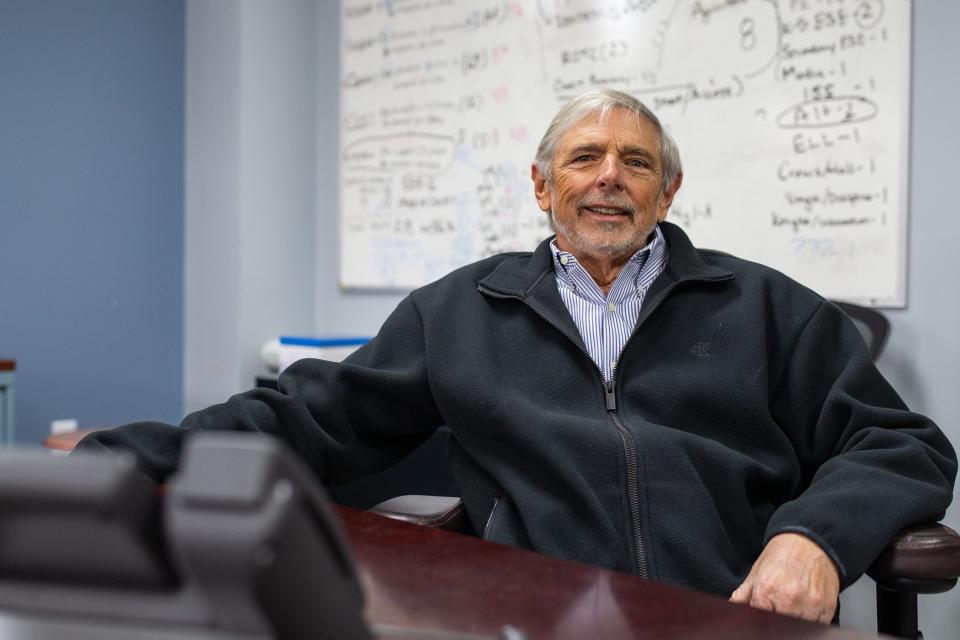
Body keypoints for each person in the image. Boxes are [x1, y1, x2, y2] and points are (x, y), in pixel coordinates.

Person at [78, 89, 956, 624]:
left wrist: (815, 540)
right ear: (542, 186)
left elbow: (902, 443)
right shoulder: (459, 311)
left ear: (669, 189)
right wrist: (119, 459)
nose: (609, 175)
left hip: (732, 617)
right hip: (537, 618)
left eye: (636, 161)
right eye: (585, 157)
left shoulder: (767, 306)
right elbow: (308, 417)